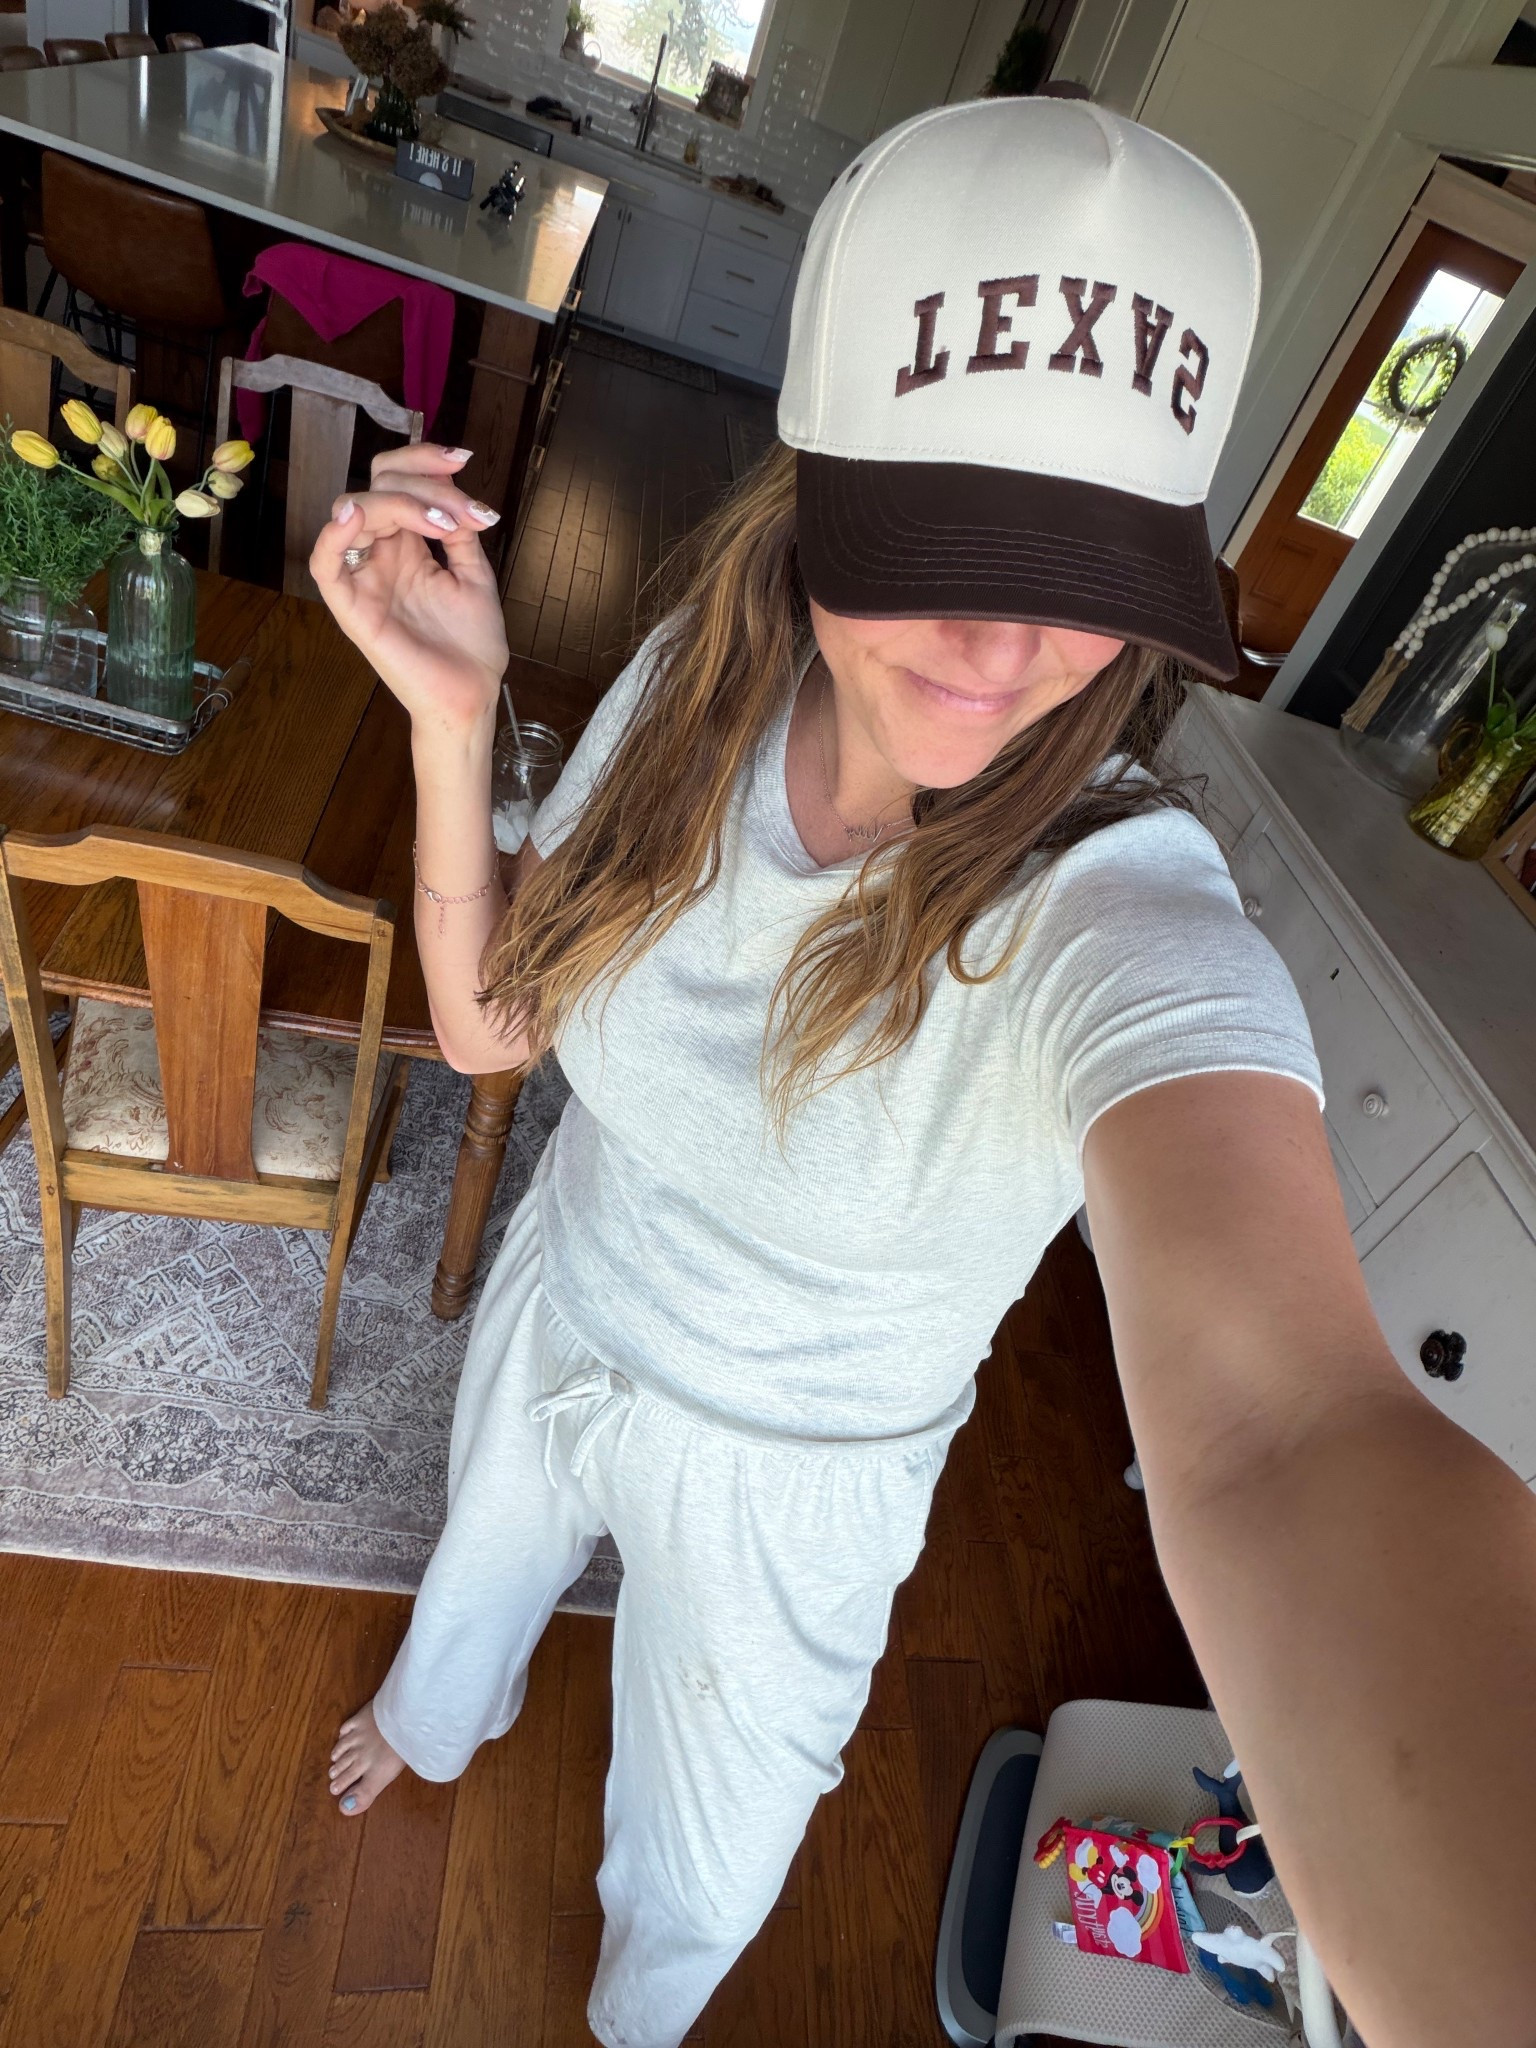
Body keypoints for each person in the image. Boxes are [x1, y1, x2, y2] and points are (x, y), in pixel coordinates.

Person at [313, 97, 1536, 2048]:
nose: (1002, 644)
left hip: (791, 1484)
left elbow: (1286, 1432)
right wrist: (454, 724)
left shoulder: (1115, 909)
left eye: (1083, 568)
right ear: (815, 490)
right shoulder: (697, 691)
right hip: (571, 1297)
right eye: (945, 540)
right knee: (478, 1572)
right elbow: (491, 1028)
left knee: (704, 1851)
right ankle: (437, 1715)